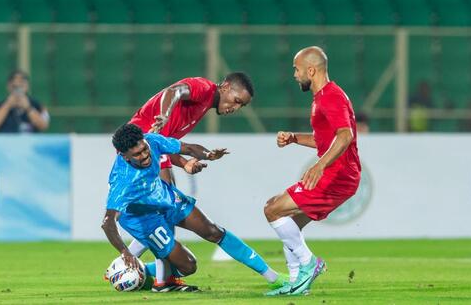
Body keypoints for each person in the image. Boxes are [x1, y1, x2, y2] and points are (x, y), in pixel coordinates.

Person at [125, 72, 287, 288]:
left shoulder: (201, 108)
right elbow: (174, 91)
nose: (234, 108)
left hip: (151, 149)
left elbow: (168, 146)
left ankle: (145, 273)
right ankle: (154, 277)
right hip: (141, 148)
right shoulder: (204, 88)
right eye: (236, 101)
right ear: (226, 86)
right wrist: (163, 114)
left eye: (241, 106)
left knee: (169, 216)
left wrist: (185, 164)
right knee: (169, 210)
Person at [102, 124, 283, 292]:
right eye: (137, 155)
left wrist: (208, 154)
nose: (145, 156)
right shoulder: (122, 181)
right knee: (188, 266)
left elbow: (188, 148)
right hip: (143, 219)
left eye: (144, 149)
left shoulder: (152, 140)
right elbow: (108, 222)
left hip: (164, 198)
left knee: (213, 231)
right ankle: (137, 270)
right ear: (125, 156)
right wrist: (125, 252)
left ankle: (273, 277)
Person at [263, 46, 361, 296]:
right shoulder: (323, 97)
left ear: (311, 69)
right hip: (339, 174)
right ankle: (297, 282)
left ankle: (309, 263)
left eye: (296, 69)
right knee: (290, 222)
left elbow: (345, 135)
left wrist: (320, 165)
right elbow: (326, 140)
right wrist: (295, 138)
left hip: (337, 175)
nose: (294, 75)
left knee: (273, 209)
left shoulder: (330, 96)